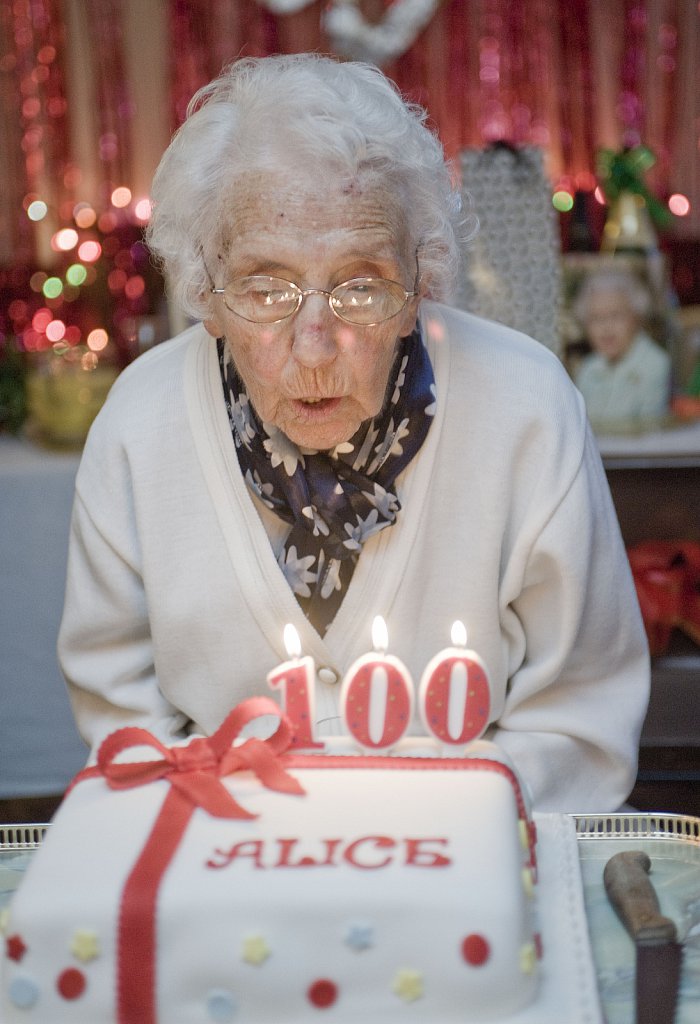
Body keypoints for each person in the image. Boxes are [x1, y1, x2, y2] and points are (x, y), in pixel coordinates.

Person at [58, 53, 649, 812]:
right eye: (265, 288)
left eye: (361, 286)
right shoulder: (140, 424)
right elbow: (125, 726)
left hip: (473, 848)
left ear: (421, 283)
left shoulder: (527, 407)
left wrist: (412, 837)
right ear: (205, 292)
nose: (314, 347)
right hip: (225, 854)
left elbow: (581, 721)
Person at [572, 267, 672, 430]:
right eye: (596, 319)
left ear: (636, 317)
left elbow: (649, 430)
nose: (606, 328)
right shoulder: (588, 368)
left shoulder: (655, 364)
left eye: (616, 316)